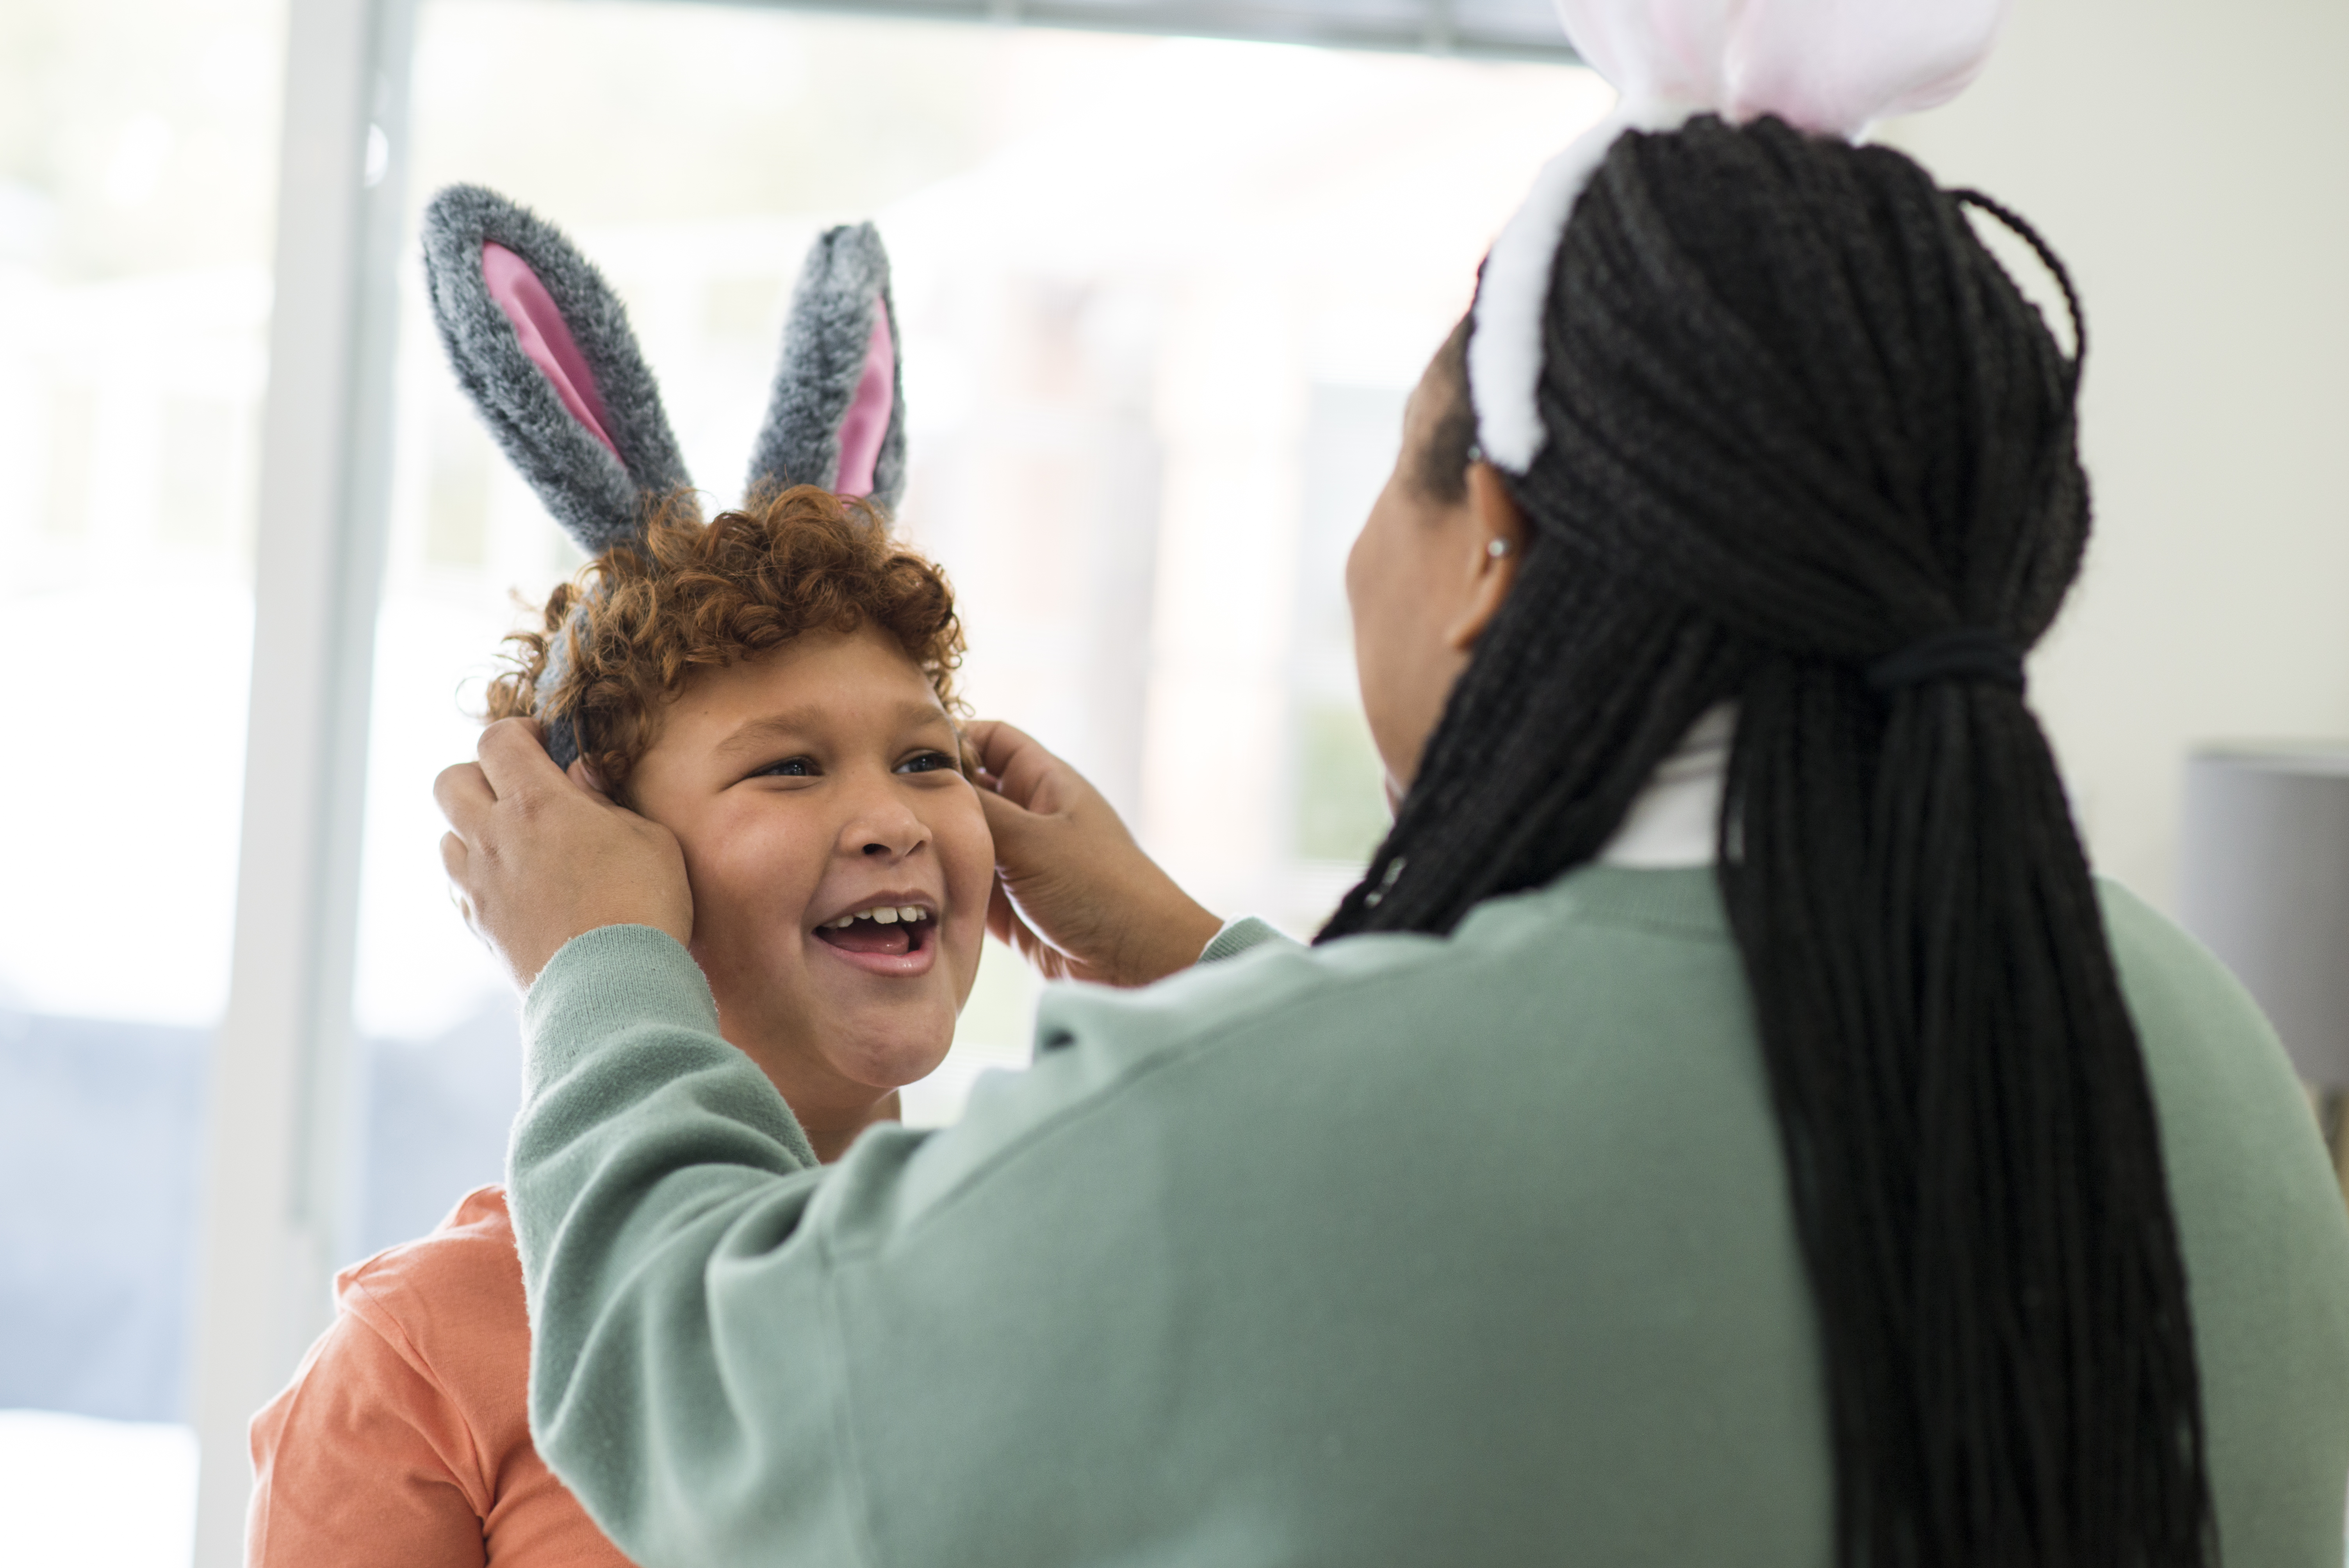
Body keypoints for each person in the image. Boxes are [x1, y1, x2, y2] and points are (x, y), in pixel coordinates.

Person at [437, 22, 2349, 1568]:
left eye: (1401, 461)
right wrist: (1206, 965)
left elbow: (721, 1417)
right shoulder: (2202, 1056)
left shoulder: (1254, 1138)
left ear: (1489, 542)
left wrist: (604, 960)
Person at [248, 195, 983, 1565]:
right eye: (788, 770)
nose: (896, 819)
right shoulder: (425, 1360)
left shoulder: (1060, 1251)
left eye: (931, 762)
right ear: (600, 857)